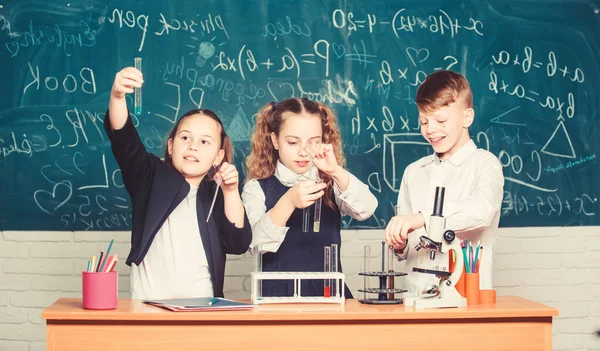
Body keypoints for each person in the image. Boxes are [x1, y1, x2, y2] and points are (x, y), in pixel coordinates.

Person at [104, 66, 251, 299]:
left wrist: (231, 191)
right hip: (148, 308)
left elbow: (237, 244)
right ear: (171, 147)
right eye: (185, 138)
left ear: (218, 156)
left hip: (202, 312)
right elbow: (125, 141)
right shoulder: (149, 176)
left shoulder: (217, 193)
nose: (193, 145)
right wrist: (117, 96)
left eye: (205, 142)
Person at [242, 97, 378, 298]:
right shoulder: (257, 188)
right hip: (276, 297)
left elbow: (367, 209)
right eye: (293, 142)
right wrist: (288, 201)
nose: (303, 151)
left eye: (313, 142)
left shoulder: (331, 182)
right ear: (274, 140)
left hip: (328, 296)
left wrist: (336, 171)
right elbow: (255, 245)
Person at [385, 70, 504, 295]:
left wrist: (423, 218)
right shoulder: (414, 172)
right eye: (423, 122)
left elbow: (481, 211)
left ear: (467, 117)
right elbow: (407, 248)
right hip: (416, 298)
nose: (431, 130)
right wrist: (400, 243)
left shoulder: (485, 164)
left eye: (441, 120)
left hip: (466, 298)